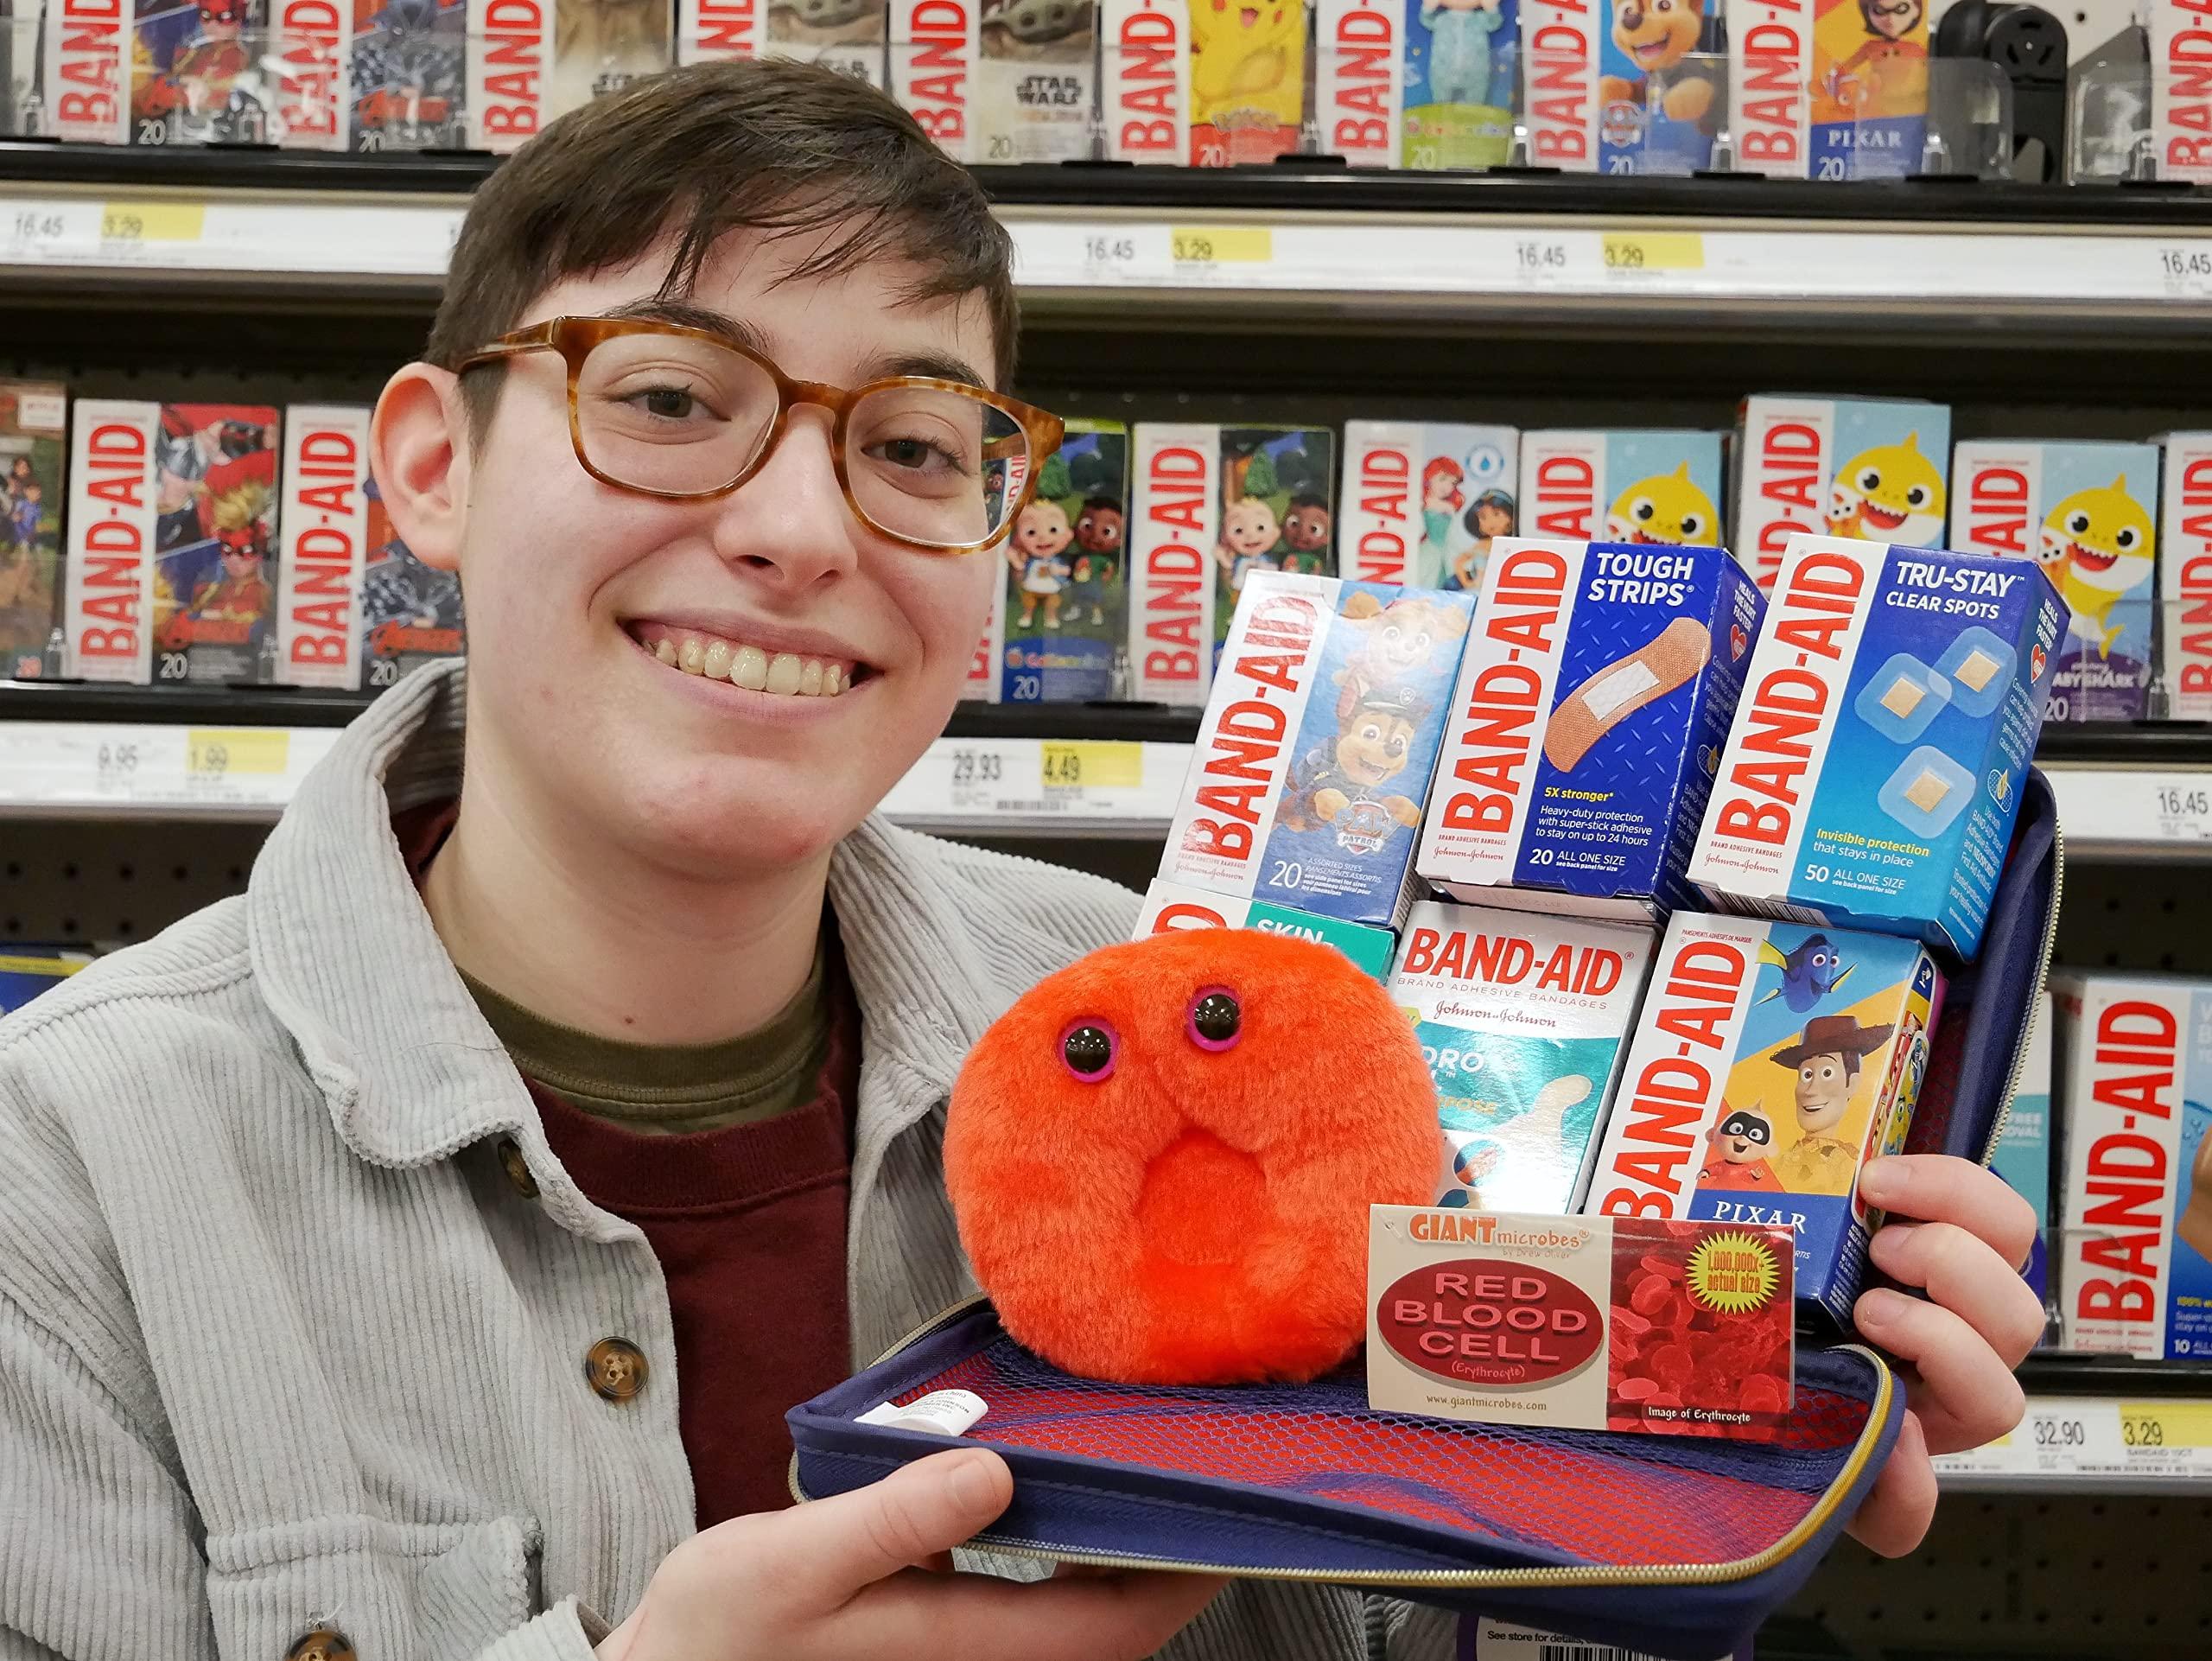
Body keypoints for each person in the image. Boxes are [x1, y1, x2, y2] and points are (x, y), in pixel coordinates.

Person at [0, 59, 2042, 1661]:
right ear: (432, 467)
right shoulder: (64, 1177)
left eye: (910, 445)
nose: (799, 529)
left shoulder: (1189, 1018)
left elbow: (1401, 1581)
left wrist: (1702, 1466)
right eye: (670, 398)